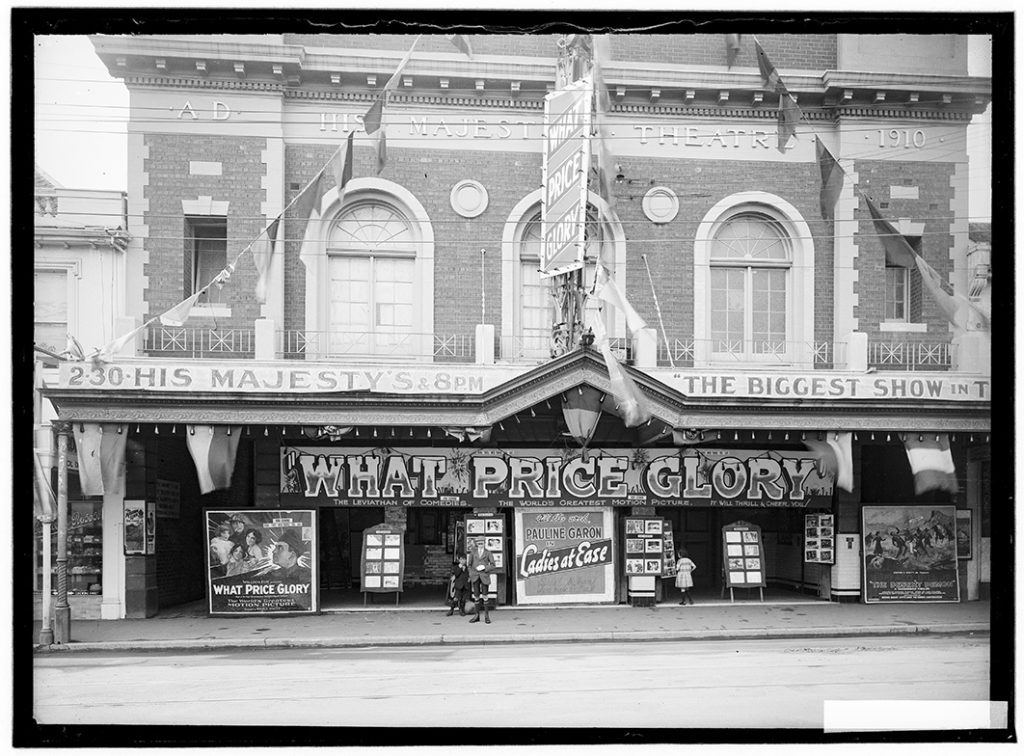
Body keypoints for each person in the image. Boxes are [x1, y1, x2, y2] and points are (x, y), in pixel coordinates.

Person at [466, 539, 495, 624]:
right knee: (476, 596)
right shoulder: (473, 553)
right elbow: (469, 565)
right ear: (476, 544)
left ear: (484, 543)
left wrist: (485, 568)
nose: (480, 545)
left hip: (484, 576)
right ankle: (476, 615)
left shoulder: (488, 553)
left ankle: (486, 616)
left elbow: (493, 565)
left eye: (482, 543)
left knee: (485, 596)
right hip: (475, 576)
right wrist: (471, 573)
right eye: (479, 544)